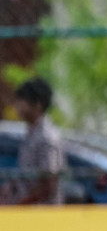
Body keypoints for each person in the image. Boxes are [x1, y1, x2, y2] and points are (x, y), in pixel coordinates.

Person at [5, 77, 66, 205]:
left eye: (21, 101)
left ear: (37, 104)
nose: (17, 106)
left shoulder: (47, 137)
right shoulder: (30, 135)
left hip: (42, 216)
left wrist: (22, 204)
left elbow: (49, 185)